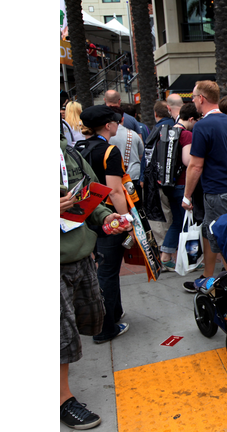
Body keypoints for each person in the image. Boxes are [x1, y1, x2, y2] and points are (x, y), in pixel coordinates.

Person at [60, 134, 130, 430]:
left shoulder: (66, 152)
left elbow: (89, 194)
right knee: (60, 333)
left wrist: (105, 218)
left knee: (89, 317)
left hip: (80, 254)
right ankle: (62, 399)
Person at [182, 80, 227, 290]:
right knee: (214, 232)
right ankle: (208, 276)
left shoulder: (202, 126)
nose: (193, 101)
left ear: (201, 98)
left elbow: (195, 166)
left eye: (194, 97)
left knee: (221, 239)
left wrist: (186, 196)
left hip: (217, 192)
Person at [74, 105, 133, 345]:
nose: (118, 124)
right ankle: (105, 328)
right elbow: (116, 191)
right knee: (107, 273)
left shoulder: (77, 148)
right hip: (107, 219)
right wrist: (126, 221)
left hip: (83, 220)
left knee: (105, 269)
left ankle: (115, 311)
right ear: (108, 125)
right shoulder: (110, 151)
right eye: (115, 121)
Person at [160, 103, 200, 273]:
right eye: (196, 120)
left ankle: (166, 255)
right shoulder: (186, 135)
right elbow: (187, 161)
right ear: (191, 119)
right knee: (185, 222)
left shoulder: (165, 131)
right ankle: (185, 259)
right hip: (182, 184)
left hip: (167, 184)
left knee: (177, 221)